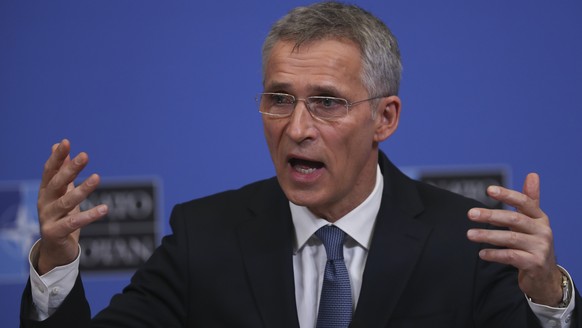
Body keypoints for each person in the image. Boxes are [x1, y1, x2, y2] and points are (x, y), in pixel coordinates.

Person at [20, 2, 580, 327]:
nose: (296, 127)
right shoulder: (205, 236)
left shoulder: (469, 241)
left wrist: (548, 296)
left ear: (384, 118)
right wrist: (56, 262)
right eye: (279, 98)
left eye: (327, 102)